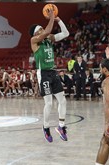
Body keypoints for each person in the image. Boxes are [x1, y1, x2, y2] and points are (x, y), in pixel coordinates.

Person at [29, 9, 69, 142]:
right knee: (49, 103)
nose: (43, 30)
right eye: (40, 28)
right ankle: (46, 127)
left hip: (53, 71)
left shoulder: (49, 39)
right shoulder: (34, 40)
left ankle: (61, 126)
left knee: (62, 100)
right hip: (43, 74)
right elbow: (46, 32)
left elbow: (66, 33)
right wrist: (51, 17)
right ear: (36, 33)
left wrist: (58, 20)